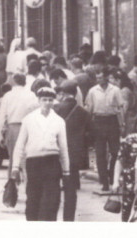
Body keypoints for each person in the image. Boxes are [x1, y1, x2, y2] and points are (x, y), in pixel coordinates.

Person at [11, 87, 70, 221]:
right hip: (34, 163)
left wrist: (66, 171)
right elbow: (19, 145)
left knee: (51, 200)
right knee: (33, 197)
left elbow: (63, 148)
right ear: (38, 101)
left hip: (52, 162)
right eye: (44, 100)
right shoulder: (28, 119)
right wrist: (15, 167)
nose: (47, 103)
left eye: (50, 100)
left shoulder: (59, 121)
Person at [54, 80, 91, 221]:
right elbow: (91, 135)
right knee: (71, 190)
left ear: (63, 93)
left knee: (54, 186)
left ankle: (52, 217)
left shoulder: (56, 109)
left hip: (57, 152)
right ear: (76, 94)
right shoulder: (83, 112)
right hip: (74, 155)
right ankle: (68, 219)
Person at [84, 67, 124, 191]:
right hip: (98, 122)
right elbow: (89, 109)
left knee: (115, 151)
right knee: (100, 153)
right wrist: (88, 126)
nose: (99, 80)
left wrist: (122, 124)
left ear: (106, 77)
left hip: (112, 121)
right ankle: (104, 181)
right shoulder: (92, 91)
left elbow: (120, 108)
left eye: (101, 77)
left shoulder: (115, 90)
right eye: (97, 78)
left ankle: (112, 175)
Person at [0, 73, 39, 174]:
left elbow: (2, 116)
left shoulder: (8, 96)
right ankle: (28, 183)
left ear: (14, 81)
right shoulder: (32, 95)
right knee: (28, 156)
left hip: (13, 127)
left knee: (13, 158)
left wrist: (0, 134)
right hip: (29, 127)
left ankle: (12, 184)